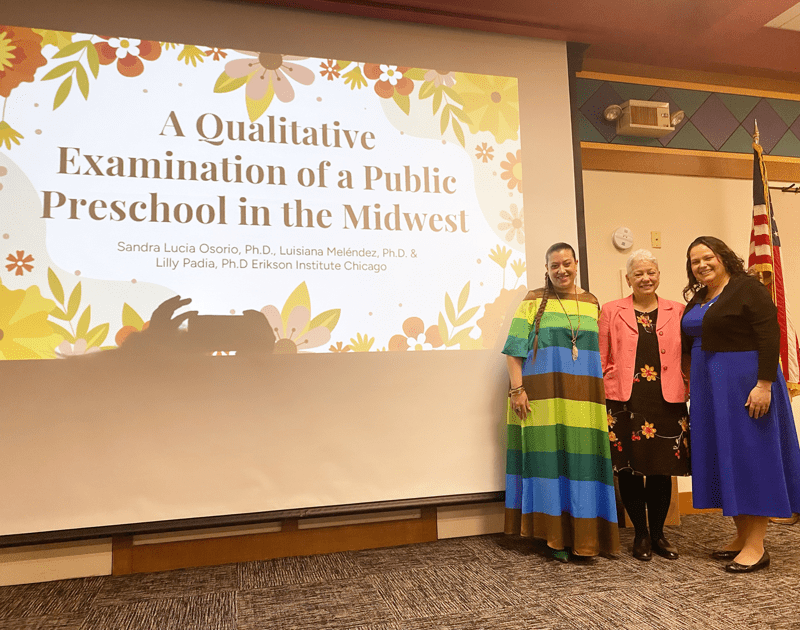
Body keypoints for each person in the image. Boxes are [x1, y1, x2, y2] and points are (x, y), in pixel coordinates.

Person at [681, 236, 800, 573]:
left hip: (745, 383)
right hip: (710, 388)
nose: (702, 265)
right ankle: (740, 535)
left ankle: (756, 545)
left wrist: (764, 385)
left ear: (723, 257)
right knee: (725, 456)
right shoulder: (700, 298)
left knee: (752, 456)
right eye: (694, 261)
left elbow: (768, 335)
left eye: (708, 257)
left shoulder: (747, 287)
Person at [503, 242, 620, 561]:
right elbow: (514, 352)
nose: (561, 270)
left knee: (581, 465)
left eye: (566, 264)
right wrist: (517, 390)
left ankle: (583, 537)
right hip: (541, 398)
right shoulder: (532, 301)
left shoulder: (592, 302)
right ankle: (554, 538)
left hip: (584, 400)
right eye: (554, 266)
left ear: (576, 263)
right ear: (547, 269)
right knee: (549, 465)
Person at [598, 250, 690, 562]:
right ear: (628, 279)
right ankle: (640, 533)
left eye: (650, 272)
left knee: (662, 470)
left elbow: (688, 354)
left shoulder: (677, 310)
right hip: (624, 400)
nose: (645, 278)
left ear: (659, 275)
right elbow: (601, 355)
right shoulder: (611, 310)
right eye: (638, 273)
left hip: (666, 399)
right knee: (629, 469)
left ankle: (659, 534)